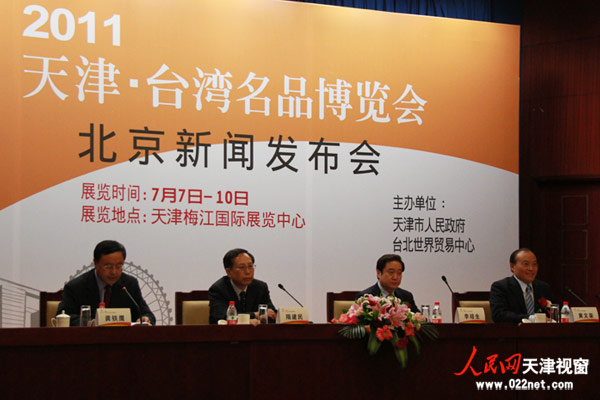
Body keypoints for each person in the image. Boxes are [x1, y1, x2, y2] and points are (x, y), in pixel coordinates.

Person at [56, 240, 156, 326]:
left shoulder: (129, 284)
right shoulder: (76, 286)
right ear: (95, 263)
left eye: (118, 266)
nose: (114, 272)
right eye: (108, 266)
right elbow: (64, 317)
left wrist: (145, 319)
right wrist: (91, 323)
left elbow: (147, 314)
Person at [209, 248, 276, 324]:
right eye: (241, 267)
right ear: (229, 272)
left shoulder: (260, 287)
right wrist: (255, 315)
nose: (248, 272)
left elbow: (272, 314)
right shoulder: (219, 289)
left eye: (250, 266)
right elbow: (222, 317)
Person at [490, 248, 553, 323]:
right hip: (514, 329)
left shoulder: (543, 287)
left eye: (534, 264)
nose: (531, 269)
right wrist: (530, 318)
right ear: (512, 266)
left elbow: (553, 314)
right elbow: (499, 315)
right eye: (526, 264)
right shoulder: (501, 287)